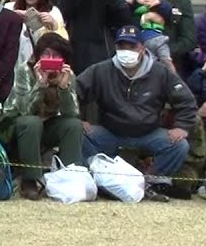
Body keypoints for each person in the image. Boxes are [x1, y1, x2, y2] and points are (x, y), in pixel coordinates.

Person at [76, 25, 198, 202]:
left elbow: (187, 101)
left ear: (142, 48)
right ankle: (100, 178)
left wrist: (182, 127)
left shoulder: (160, 72)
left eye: (132, 46)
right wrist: (77, 119)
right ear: (115, 47)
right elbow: (74, 92)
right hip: (110, 132)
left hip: (149, 134)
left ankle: (153, 184)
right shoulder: (100, 70)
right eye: (122, 46)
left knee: (179, 145)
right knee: (79, 135)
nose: (126, 51)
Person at [0, 33, 83, 200]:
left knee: (73, 125)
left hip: (47, 125)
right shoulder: (25, 70)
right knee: (32, 122)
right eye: (46, 54)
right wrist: (40, 85)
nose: (50, 59)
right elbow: (23, 110)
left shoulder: (67, 74)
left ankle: (69, 177)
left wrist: (64, 88)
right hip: (16, 125)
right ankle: (30, 180)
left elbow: (72, 113)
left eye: (56, 56)